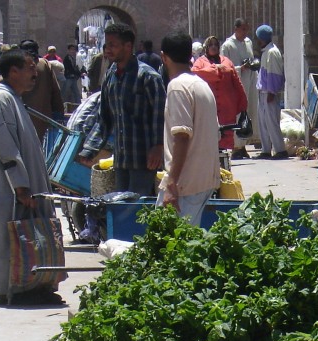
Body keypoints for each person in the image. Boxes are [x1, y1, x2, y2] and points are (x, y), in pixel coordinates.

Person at [0, 47, 60, 306]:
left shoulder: (12, 98)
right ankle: (14, 286)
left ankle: (33, 284)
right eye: (30, 68)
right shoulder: (1, 99)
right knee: (13, 236)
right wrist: (21, 187)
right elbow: (5, 146)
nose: (35, 72)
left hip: (21, 186)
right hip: (9, 190)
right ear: (13, 72)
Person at [78, 22, 165, 197]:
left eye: (113, 45)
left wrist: (158, 146)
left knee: (137, 210)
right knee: (121, 208)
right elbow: (105, 118)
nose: (108, 50)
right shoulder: (110, 76)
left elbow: (160, 115)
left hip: (144, 160)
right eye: (106, 45)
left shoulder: (148, 77)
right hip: (121, 160)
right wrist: (89, 149)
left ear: (128, 46)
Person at [156, 33, 220, 226]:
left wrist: (171, 183)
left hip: (185, 184)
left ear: (164, 57)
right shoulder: (201, 85)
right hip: (203, 180)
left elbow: (182, 136)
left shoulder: (178, 86)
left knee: (171, 245)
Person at [191, 36, 247, 154]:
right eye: (211, 45)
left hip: (227, 106)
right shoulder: (200, 62)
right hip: (208, 105)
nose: (214, 47)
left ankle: (224, 161)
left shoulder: (227, 61)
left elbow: (237, 82)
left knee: (226, 134)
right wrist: (215, 68)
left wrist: (243, 103)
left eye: (216, 45)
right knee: (209, 133)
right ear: (206, 47)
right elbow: (195, 73)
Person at [221, 18, 259, 160]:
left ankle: (243, 146)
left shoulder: (248, 42)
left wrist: (252, 64)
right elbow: (225, 67)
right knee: (237, 115)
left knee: (248, 113)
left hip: (249, 82)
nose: (245, 32)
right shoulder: (227, 45)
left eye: (246, 29)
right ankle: (236, 147)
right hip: (236, 84)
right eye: (242, 29)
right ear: (236, 29)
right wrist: (240, 68)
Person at [18, 39, 64, 142]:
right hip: (42, 117)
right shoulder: (44, 64)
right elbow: (55, 91)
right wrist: (59, 113)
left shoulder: (17, 67)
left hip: (22, 117)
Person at [254, 24, 287, 159]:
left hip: (269, 92)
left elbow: (275, 74)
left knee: (272, 122)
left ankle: (280, 149)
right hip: (262, 92)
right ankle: (265, 149)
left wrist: (272, 92)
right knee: (263, 122)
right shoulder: (266, 52)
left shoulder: (272, 52)